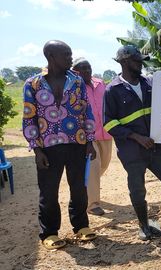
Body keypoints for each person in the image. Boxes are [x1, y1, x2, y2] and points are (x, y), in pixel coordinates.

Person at [103, 45, 161, 240]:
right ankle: (144, 226)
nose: (140, 64)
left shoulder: (149, 84)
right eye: (137, 60)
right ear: (124, 62)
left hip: (157, 149)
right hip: (132, 151)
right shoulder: (112, 90)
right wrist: (136, 137)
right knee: (137, 190)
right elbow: (108, 124)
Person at [23, 40, 97, 250]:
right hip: (48, 147)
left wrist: (90, 142)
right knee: (48, 192)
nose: (70, 58)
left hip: (77, 143)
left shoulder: (77, 82)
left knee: (79, 188)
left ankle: (81, 226)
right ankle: (49, 232)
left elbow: (86, 112)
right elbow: (29, 118)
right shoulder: (33, 84)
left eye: (70, 54)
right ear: (51, 57)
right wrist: (37, 150)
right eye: (66, 54)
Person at [71, 57, 112, 216]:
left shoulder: (100, 83)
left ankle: (87, 186)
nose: (87, 71)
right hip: (88, 135)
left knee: (104, 164)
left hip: (106, 131)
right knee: (94, 166)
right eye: (83, 69)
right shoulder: (74, 88)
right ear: (76, 72)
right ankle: (92, 203)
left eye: (88, 68)